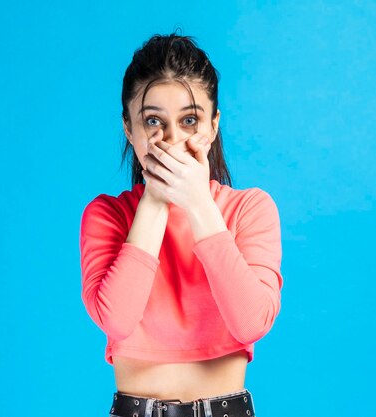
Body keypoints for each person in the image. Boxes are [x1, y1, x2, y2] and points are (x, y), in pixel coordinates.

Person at [79, 32, 283, 417]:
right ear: (129, 129)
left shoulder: (248, 209)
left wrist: (197, 204)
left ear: (214, 125)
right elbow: (117, 320)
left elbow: (252, 322)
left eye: (189, 120)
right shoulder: (107, 216)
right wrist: (155, 199)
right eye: (153, 121)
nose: (171, 140)